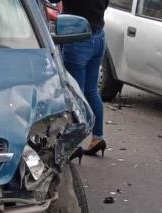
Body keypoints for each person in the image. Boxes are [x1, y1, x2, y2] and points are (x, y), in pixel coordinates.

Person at [62, 0, 109, 156]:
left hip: (77, 37)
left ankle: (73, 144)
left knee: (75, 94)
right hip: (98, 36)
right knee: (91, 91)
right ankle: (97, 137)